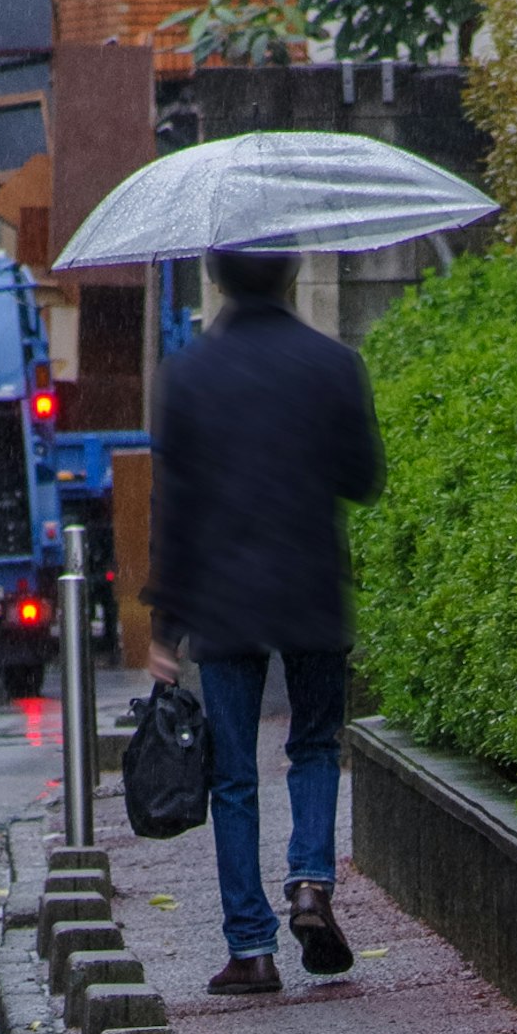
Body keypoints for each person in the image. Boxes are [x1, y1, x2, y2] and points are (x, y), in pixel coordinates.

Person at [147, 246, 383, 995]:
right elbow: (365, 479)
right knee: (314, 743)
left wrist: (165, 626)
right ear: (289, 275)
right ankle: (310, 881)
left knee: (233, 774)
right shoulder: (332, 364)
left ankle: (250, 948)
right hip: (309, 580)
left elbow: (174, 510)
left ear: (214, 279)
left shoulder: (187, 376)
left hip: (223, 592)